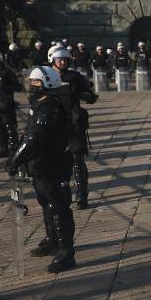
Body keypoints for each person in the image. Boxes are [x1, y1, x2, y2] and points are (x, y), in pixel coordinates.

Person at [6, 67, 78, 273]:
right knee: (46, 203)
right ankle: (52, 240)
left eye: (36, 82)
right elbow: (29, 134)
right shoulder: (42, 103)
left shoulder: (49, 107)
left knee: (58, 206)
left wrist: (15, 160)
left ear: (47, 83)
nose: (32, 86)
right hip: (41, 165)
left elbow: (34, 138)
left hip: (51, 164)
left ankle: (66, 253)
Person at [51, 47, 98, 209]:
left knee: (77, 159)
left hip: (74, 123)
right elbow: (34, 97)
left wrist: (80, 93)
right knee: (57, 162)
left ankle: (82, 195)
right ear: (53, 60)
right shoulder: (46, 76)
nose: (63, 62)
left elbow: (91, 97)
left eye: (65, 60)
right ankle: (62, 195)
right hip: (54, 125)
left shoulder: (75, 76)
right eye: (59, 60)